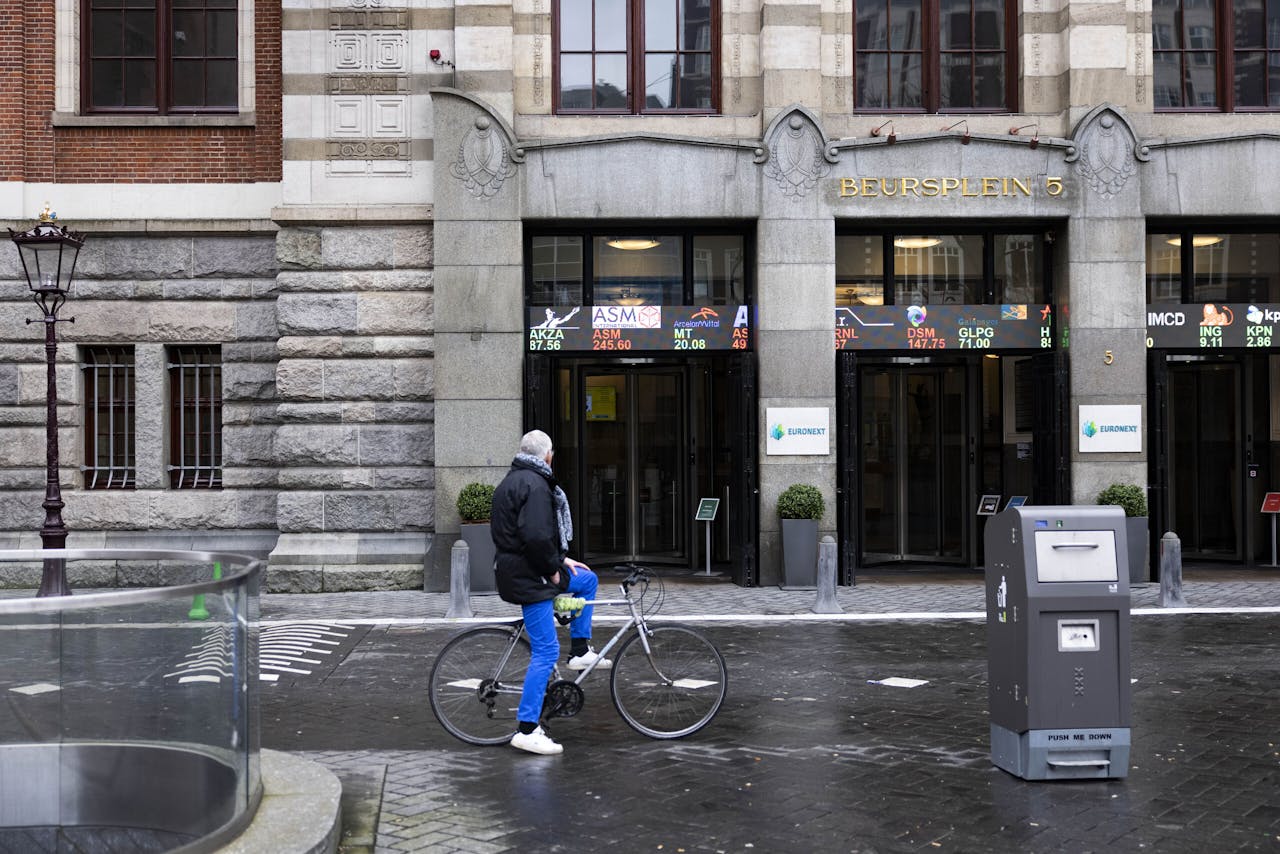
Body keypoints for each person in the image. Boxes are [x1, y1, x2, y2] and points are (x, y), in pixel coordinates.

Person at [491, 429, 611, 755]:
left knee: (586, 581)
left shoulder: (513, 481)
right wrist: (552, 569)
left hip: (523, 570)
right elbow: (535, 537)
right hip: (530, 578)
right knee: (545, 652)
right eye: (552, 452)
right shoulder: (535, 485)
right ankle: (527, 728)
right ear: (546, 455)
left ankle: (580, 649)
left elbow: (528, 536)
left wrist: (562, 560)